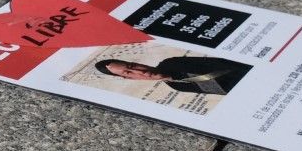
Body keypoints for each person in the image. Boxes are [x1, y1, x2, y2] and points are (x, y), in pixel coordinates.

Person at [95, 55, 251, 96]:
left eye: (132, 66)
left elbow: (222, 63)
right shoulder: (176, 86)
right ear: (129, 79)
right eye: (129, 72)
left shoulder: (172, 63)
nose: (140, 71)